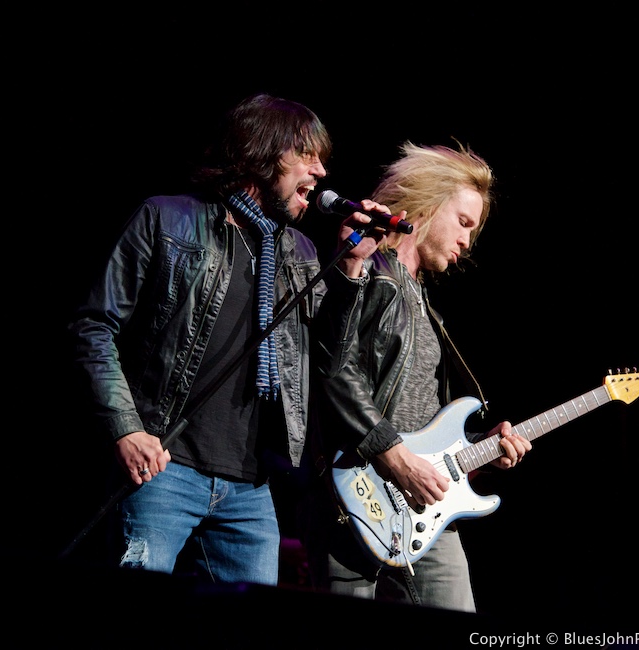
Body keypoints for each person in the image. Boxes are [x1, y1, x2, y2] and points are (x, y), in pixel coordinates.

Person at [66, 93, 386, 585]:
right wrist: (126, 429)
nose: (321, 171)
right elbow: (94, 326)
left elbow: (330, 361)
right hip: (163, 470)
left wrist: (351, 268)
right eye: (306, 154)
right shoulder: (166, 219)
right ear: (262, 152)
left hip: (250, 489)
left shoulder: (300, 252)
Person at [300, 140, 533, 612]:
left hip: (426, 506)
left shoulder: (425, 306)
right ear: (426, 206)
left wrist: (481, 448)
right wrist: (395, 457)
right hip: (359, 495)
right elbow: (333, 369)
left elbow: (423, 418)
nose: (468, 241)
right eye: (463, 222)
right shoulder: (369, 275)